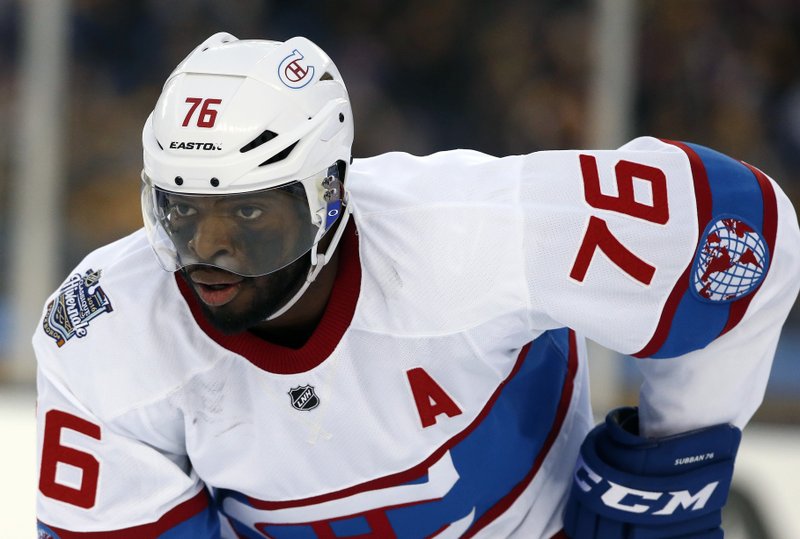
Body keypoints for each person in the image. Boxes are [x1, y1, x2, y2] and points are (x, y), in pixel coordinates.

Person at [34, 33, 800, 539]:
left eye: (248, 213)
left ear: (329, 194)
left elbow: (740, 234)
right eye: (180, 212)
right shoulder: (107, 328)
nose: (208, 250)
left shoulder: (480, 232)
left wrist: (670, 470)